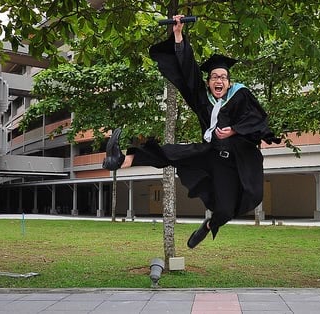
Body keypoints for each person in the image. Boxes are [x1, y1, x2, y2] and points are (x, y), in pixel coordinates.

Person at [102, 15, 280, 249]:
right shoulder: (202, 97)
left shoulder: (240, 95)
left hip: (239, 160)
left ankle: (207, 226)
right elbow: (188, 70)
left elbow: (256, 117)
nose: (219, 80)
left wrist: (234, 130)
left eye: (223, 77)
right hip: (212, 155)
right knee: (172, 153)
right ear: (208, 82)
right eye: (215, 77)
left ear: (229, 81)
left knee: (225, 211)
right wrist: (178, 35)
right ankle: (121, 159)